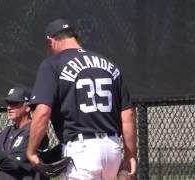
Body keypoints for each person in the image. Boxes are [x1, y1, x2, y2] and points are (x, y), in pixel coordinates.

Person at [27, 18, 137, 179]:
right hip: (113, 149)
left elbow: (43, 112)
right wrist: (130, 155)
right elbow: (128, 115)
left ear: (51, 41)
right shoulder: (108, 64)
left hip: (82, 151)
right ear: (75, 36)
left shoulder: (52, 64)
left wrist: (31, 151)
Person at [0, 87, 49, 180]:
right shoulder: (6, 131)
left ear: (28, 107)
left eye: (14, 103)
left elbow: (15, 164)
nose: (9, 107)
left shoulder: (35, 131)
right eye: (8, 103)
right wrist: (7, 155)